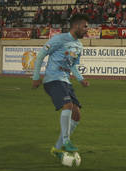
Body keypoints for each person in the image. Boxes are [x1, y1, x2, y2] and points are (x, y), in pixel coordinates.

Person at [32, 14, 90, 159]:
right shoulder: (59, 39)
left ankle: (57, 149)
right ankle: (66, 141)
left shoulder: (79, 45)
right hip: (52, 79)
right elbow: (40, 56)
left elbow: (74, 66)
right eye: (85, 26)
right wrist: (36, 77)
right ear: (76, 26)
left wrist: (81, 79)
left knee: (76, 115)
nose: (86, 30)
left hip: (65, 81)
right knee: (68, 105)